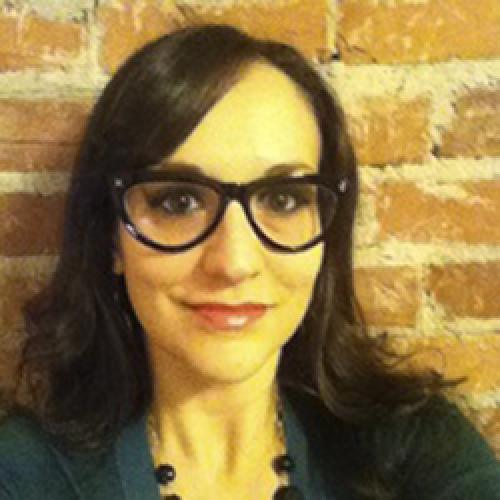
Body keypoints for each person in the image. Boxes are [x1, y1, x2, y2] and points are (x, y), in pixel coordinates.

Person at [0, 24, 499, 500]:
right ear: (111, 238)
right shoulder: (30, 474)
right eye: (178, 202)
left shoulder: (411, 449)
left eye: (283, 200)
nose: (234, 262)